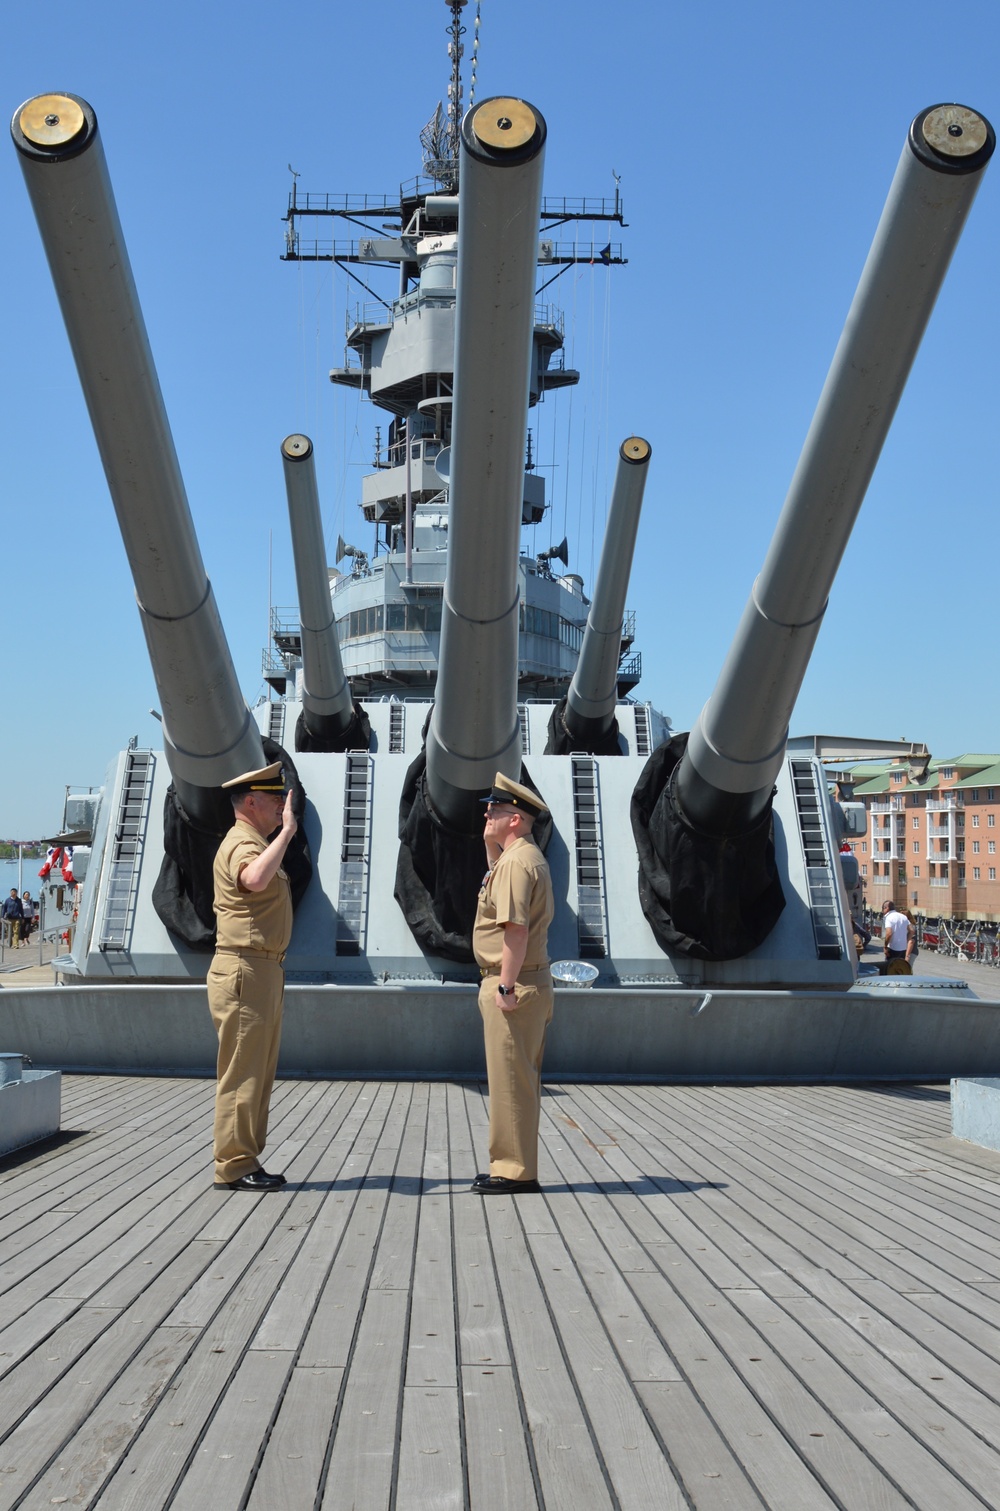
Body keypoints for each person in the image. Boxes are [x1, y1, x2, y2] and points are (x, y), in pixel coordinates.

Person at [207, 760, 297, 1192]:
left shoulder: (253, 840)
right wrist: (287, 834)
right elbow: (255, 879)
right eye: (275, 799)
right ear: (251, 802)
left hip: (261, 969)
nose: (281, 805)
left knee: (256, 1071)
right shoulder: (244, 843)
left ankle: (246, 1158)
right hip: (245, 968)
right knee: (243, 1071)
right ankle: (234, 1164)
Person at [471, 772, 554, 1195]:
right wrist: (491, 843)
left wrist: (505, 988)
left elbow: (515, 931)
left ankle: (515, 1171)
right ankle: (512, 1165)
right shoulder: (519, 858)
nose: (487, 813)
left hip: (513, 983)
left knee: (510, 1080)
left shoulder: (517, 864)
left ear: (517, 820)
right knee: (514, 1077)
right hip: (527, 980)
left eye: (497, 810)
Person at [882, 899, 915, 976]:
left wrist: (885, 946)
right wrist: (906, 941)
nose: (883, 910)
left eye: (883, 908)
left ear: (887, 908)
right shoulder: (903, 917)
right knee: (900, 968)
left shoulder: (889, 917)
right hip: (903, 948)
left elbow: (889, 933)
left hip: (893, 948)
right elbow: (912, 930)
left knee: (890, 969)